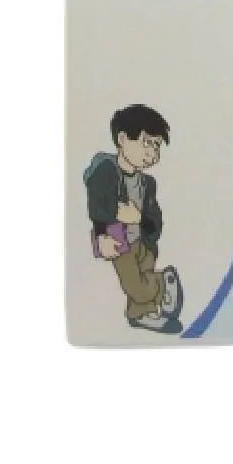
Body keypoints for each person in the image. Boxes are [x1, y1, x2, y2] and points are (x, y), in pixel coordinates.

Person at [83, 105, 183, 333]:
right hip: (119, 242)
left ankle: (141, 315)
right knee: (135, 286)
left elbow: (155, 219)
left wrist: (140, 220)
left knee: (142, 281)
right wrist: (101, 235)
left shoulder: (148, 184)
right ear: (122, 139)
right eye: (146, 142)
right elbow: (97, 206)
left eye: (156, 145)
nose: (152, 152)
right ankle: (163, 283)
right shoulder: (105, 172)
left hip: (143, 243)